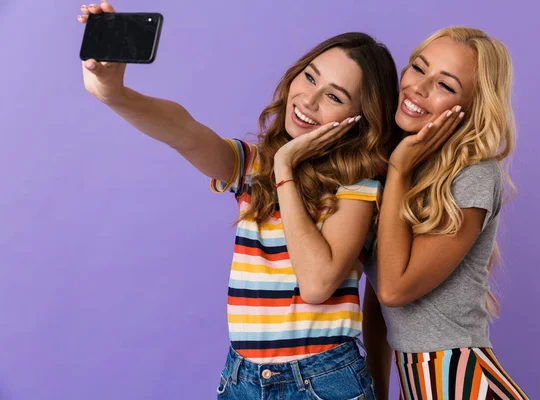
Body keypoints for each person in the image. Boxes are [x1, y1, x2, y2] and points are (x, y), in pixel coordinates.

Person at [78, 2, 400, 398]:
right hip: (242, 379)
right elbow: (186, 131)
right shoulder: (253, 167)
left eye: (333, 96)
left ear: (359, 118)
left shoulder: (357, 185)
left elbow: (317, 283)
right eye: (309, 77)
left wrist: (284, 168)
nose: (309, 100)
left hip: (321, 381)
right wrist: (113, 92)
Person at [363, 27, 529, 399]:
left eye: (446, 86)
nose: (418, 88)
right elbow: (376, 296)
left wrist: (399, 170)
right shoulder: (399, 168)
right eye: (418, 68)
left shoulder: (474, 175)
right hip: (418, 383)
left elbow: (393, 289)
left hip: (461, 380)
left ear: (470, 108)